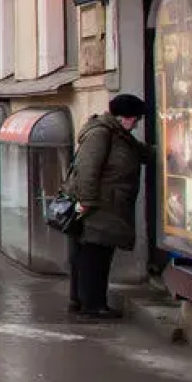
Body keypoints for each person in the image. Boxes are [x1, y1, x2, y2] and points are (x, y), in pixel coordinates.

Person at [62, 94, 151, 319]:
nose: (136, 124)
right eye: (135, 119)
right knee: (94, 257)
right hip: (98, 208)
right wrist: (88, 203)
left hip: (107, 207)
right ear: (123, 117)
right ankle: (92, 305)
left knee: (94, 256)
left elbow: (143, 153)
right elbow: (87, 170)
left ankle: (85, 301)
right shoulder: (101, 134)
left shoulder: (118, 134)